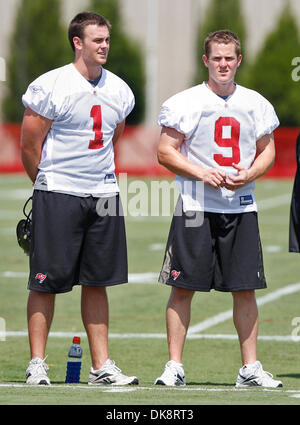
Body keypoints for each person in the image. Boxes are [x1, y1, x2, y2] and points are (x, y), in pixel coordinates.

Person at [154, 30, 282, 388]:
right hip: (195, 206)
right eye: (217, 58)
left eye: (229, 58)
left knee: (245, 288)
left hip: (240, 207)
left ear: (239, 60)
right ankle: (174, 366)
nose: (223, 64)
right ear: (205, 60)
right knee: (182, 287)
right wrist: (201, 172)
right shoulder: (185, 101)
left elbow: (267, 149)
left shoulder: (256, 102)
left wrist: (251, 173)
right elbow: (165, 151)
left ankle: (249, 369)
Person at [21, 11, 138, 386]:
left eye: (106, 39)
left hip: (103, 193)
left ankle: (101, 365)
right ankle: (37, 362)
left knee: (97, 280)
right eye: (96, 40)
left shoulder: (119, 89)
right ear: (77, 42)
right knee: (44, 280)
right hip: (58, 191)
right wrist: (47, 185)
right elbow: (29, 144)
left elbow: (113, 135)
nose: (104, 46)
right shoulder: (52, 84)